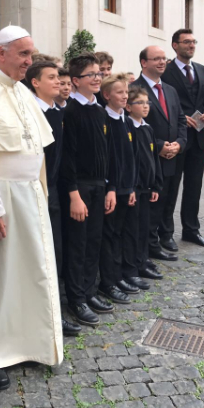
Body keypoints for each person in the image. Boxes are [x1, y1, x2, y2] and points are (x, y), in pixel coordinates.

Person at [0, 25, 63, 390]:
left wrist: (42, 193)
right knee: (0, 280)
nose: (29, 61)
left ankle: (30, 343)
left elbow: (37, 151)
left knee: (32, 271)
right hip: (3, 200)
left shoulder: (22, 91)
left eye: (31, 54)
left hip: (30, 198)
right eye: (23, 54)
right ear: (2, 53)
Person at [26, 60, 82, 336]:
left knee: (56, 255)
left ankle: (56, 312)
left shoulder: (57, 112)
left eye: (61, 79)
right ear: (35, 82)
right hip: (37, 195)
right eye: (52, 77)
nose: (60, 83)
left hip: (55, 196)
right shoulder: (33, 113)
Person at [59, 53, 115, 321]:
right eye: (91, 75)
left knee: (94, 241)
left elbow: (107, 151)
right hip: (78, 187)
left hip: (98, 185)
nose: (97, 78)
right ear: (75, 80)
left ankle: (90, 290)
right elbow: (67, 157)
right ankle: (76, 298)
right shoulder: (69, 112)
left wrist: (110, 187)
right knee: (77, 244)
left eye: (99, 74)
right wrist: (74, 194)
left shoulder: (100, 110)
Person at [132, 46, 187, 265]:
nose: (162, 62)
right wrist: (159, 145)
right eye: (157, 59)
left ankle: (164, 236)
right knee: (151, 205)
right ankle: (149, 246)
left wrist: (179, 145)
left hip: (173, 155)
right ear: (144, 63)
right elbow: (133, 127)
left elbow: (181, 120)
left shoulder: (171, 90)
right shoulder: (134, 89)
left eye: (164, 59)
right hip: (150, 160)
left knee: (169, 200)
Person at [161, 29, 204, 250]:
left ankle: (191, 230)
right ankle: (165, 233)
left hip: (199, 137)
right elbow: (161, 101)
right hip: (176, 139)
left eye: (193, 42)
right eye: (186, 42)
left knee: (194, 187)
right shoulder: (166, 71)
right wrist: (181, 117)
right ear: (175, 45)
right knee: (171, 188)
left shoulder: (201, 69)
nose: (191, 45)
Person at [98, 73, 143, 303]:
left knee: (123, 233)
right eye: (119, 92)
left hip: (127, 187)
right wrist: (112, 188)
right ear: (106, 95)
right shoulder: (105, 120)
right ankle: (109, 281)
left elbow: (130, 157)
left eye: (126, 92)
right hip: (112, 189)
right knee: (111, 236)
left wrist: (132, 187)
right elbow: (109, 159)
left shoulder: (124, 119)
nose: (125, 96)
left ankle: (121, 275)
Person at [125, 86, 163, 281]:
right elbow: (131, 160)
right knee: (133, 229)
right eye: (140, 103)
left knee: (144, 226)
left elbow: (153, 158)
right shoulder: (129, 127)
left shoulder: (147, 127)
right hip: (135, 187)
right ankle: (133, 264)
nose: (145, 106)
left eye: (147, 102)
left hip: (147, 187)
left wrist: (156, 183)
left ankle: (142, 259)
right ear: (129, 107)